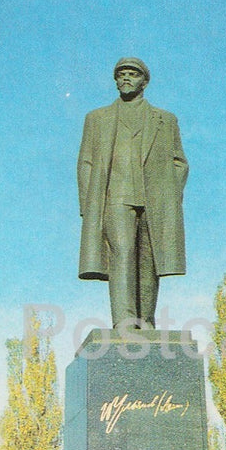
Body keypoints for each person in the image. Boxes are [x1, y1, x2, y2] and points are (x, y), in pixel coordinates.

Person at [77, 57, 189, 331]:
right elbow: (86, 163)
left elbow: (179, 162)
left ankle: (146, 320)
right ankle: (125, 320)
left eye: (133, 74)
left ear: (145, 82)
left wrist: (169, 195)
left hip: (154, 199)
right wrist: (89, 206)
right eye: (121, 74)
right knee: (122, 253)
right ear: (116, 80)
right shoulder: (97, 118)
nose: (126, 78)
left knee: (150, 260)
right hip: (115, 197)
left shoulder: (165, 119)